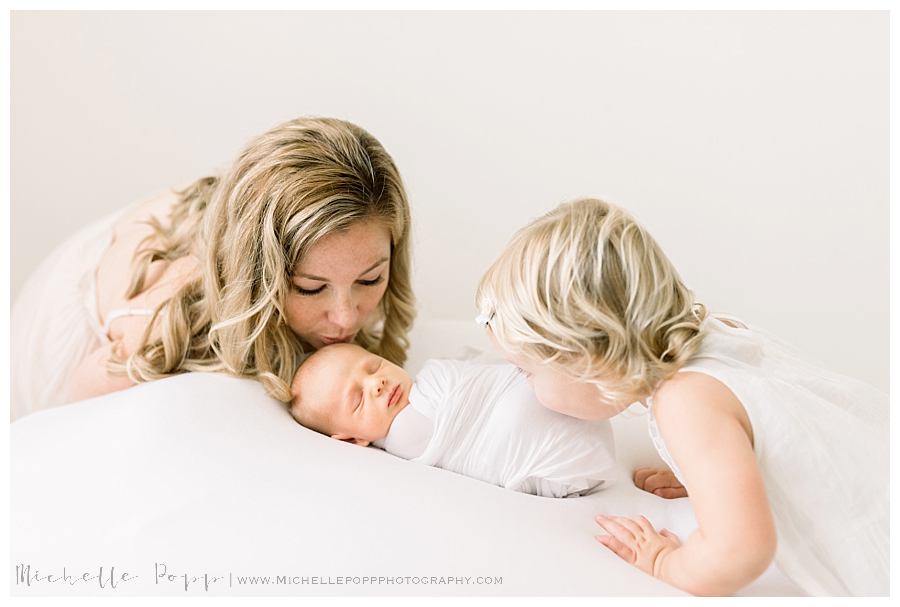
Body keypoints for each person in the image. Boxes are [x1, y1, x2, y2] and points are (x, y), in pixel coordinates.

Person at [474, 198, 888, 596]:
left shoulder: (686, 403)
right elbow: (781, 430)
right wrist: (714, 469)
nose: (524, 384)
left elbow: (739, 553)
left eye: (526, 371)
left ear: (588, 359)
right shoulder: (720, 334)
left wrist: (663, 562)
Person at [11, 117, 415, 421]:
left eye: (369, 279)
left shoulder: (342, 247)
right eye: (310, 288)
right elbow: (72, 409)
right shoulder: (160, 328)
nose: (345, 317)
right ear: (258, 280)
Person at [289, 343, 617, 498]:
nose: (377, 384)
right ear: (351, 439)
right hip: (557, 459)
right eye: (358, 399)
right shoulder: (403, 435)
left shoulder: (428, 380)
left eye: (374, 366)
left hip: (573, 425)